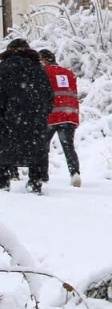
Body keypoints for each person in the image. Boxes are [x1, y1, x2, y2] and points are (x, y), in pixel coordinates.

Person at [0, 38, 52, 194]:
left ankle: (3, 181)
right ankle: (35, 181)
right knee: (36, 150)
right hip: (33, 121)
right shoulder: (38, 69)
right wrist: (41, 114)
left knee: (3, 149)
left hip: (7, 120)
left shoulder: (3, 68)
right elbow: (48, 96)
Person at [37, 50, 81, 187]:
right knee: (68, 146)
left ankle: (42, 175)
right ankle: (75, 173)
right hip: (69, 114)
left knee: (42, 147)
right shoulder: (68, 73)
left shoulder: (44, 73)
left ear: (44, 60)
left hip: (52, 115)